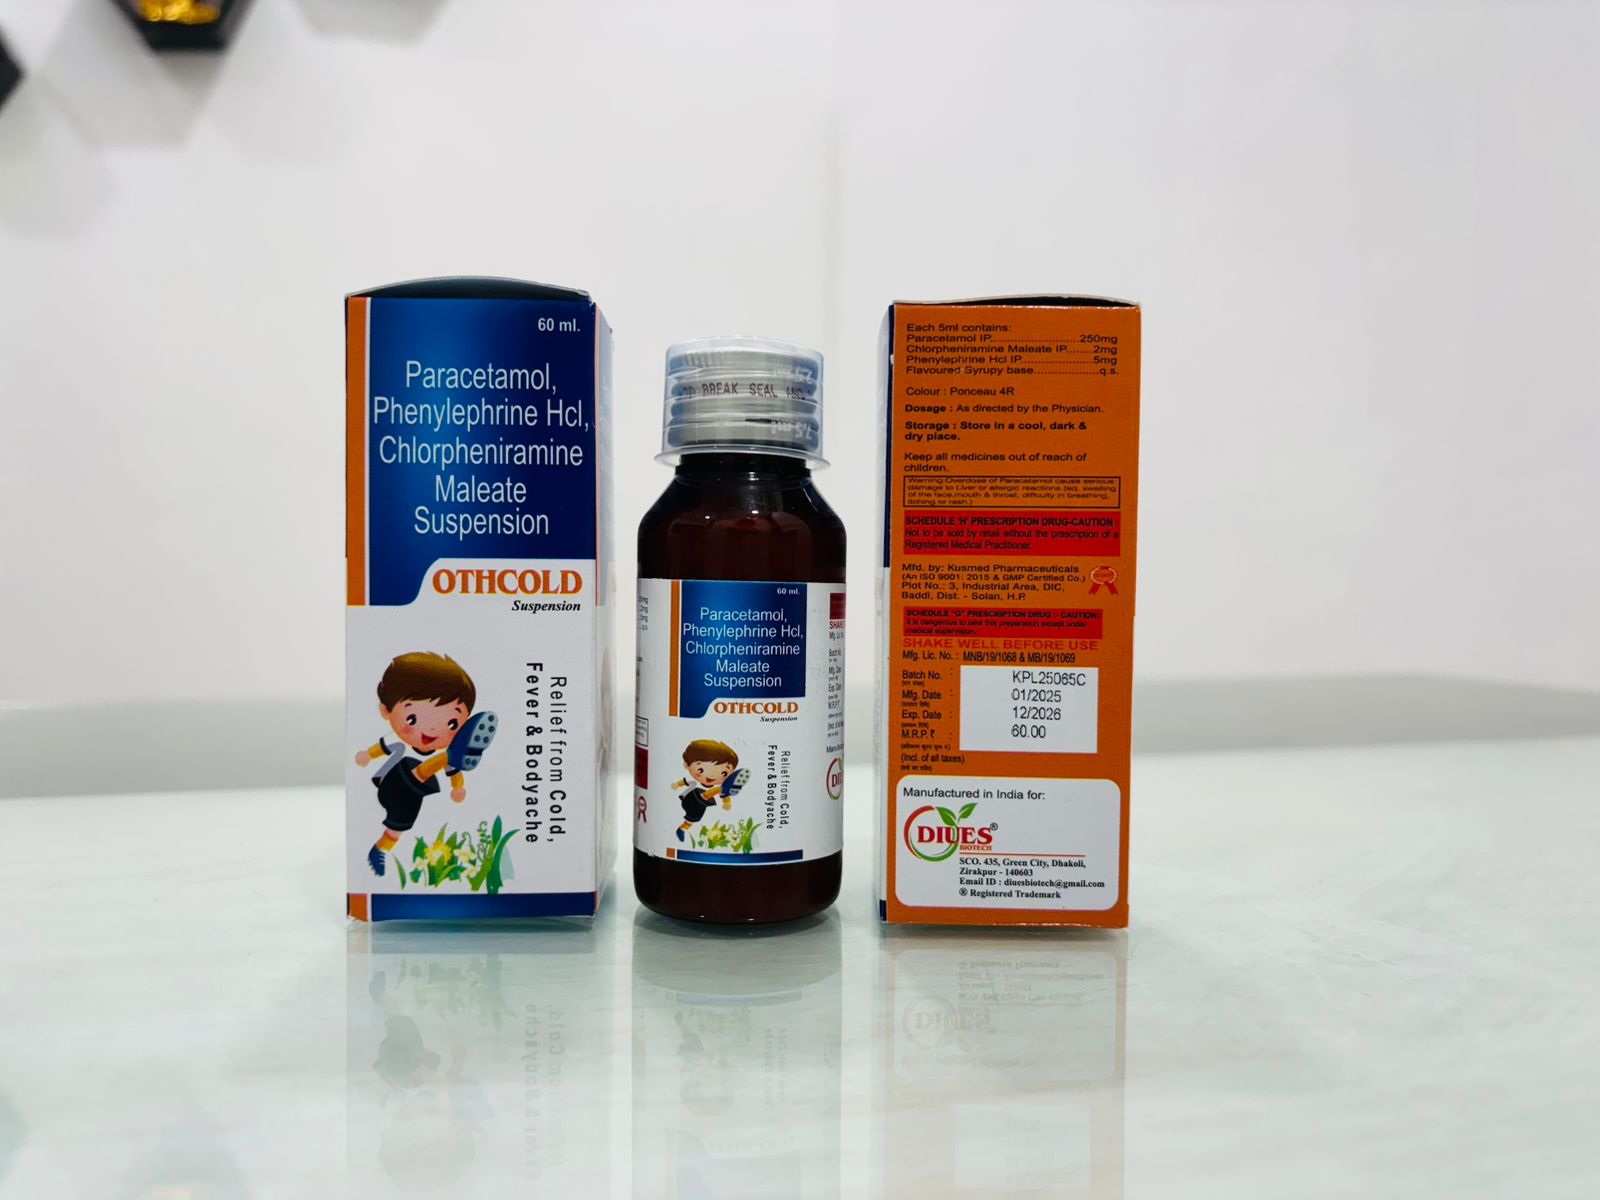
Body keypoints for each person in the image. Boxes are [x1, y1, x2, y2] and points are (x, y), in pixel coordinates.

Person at [355, 652, 477, 876]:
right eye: (412, 719)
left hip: (410, 797)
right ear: (386, 711)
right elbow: (383, 747)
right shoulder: (400, 742)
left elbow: (453, 773)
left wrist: (458, 787)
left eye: (452, 723)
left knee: (397, 828)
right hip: (392, 784)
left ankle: (379, 850)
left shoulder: (445, 751)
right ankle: (447, 758)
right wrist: (367, 755)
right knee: (427, 765)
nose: (432, 730)